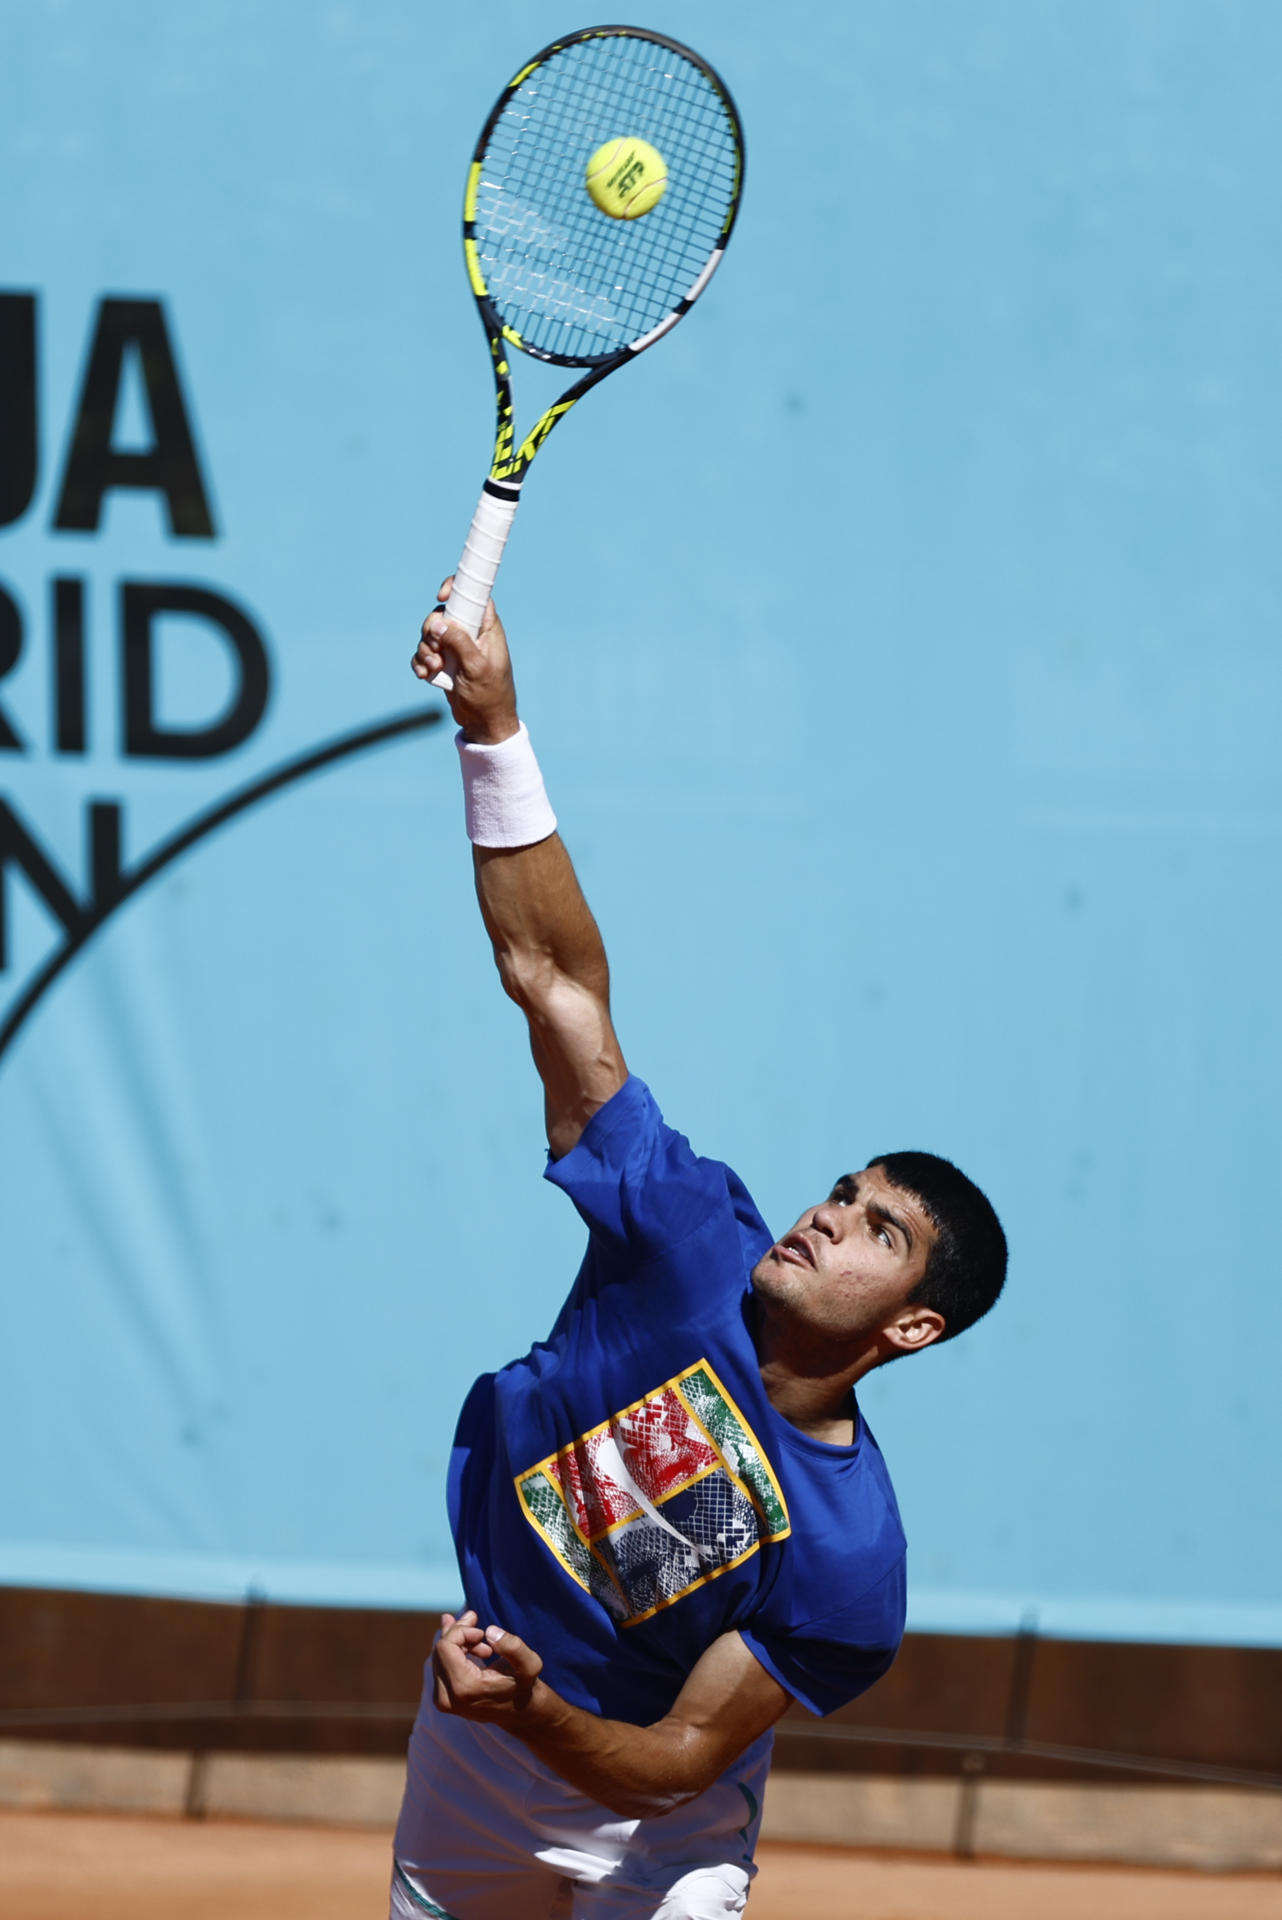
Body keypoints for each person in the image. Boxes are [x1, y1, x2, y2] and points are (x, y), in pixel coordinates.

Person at [391, 584, 1007, 1920]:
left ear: (910, 1326)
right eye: (846, 1190)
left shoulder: (849, 1564)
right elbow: (557, 980)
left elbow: (673, 1764)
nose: (831, 1214)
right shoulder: (680, 1233)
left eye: (878, 1230)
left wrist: (545, 1712)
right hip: (473, 1759)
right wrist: (492, 723)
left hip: (659, 1830)